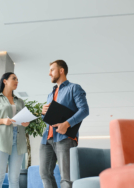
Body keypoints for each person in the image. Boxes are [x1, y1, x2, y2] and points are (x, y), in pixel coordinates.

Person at [40, 60, 89, 188]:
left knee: (66, 178)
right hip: (47, 139)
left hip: (65, 138)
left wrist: (67, 124)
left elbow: (84, 110)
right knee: (45, 174)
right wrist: (43, 113)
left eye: (52, 70)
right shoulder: (50, 94)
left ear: (61, 71)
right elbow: (49, 117)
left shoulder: (74, 88)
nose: (49, 73)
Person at [0, 72, 29, 188]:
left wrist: (26, 123)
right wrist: (3, 121)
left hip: (18, 140)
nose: (17, 81)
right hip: (0, 140)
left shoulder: (20, 101)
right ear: (5, 81)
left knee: (14, 178)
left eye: (17, 79)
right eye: (14, 79)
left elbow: (24, 121)